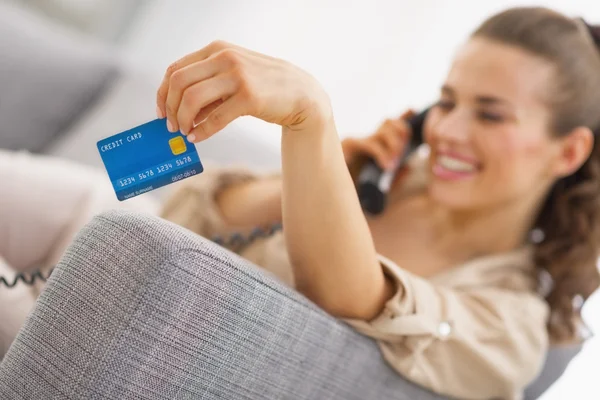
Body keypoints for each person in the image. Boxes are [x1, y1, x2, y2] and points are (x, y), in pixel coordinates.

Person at [1, 6, 599, 400]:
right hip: (111, 231)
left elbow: (351, 295)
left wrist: (310, 120)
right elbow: (195, 213)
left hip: (104, 330)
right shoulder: (387, 181)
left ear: (568, 151)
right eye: (447, 101)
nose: (447, 131)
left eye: (490, 113)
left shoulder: (510, 325)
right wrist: (330, 169)